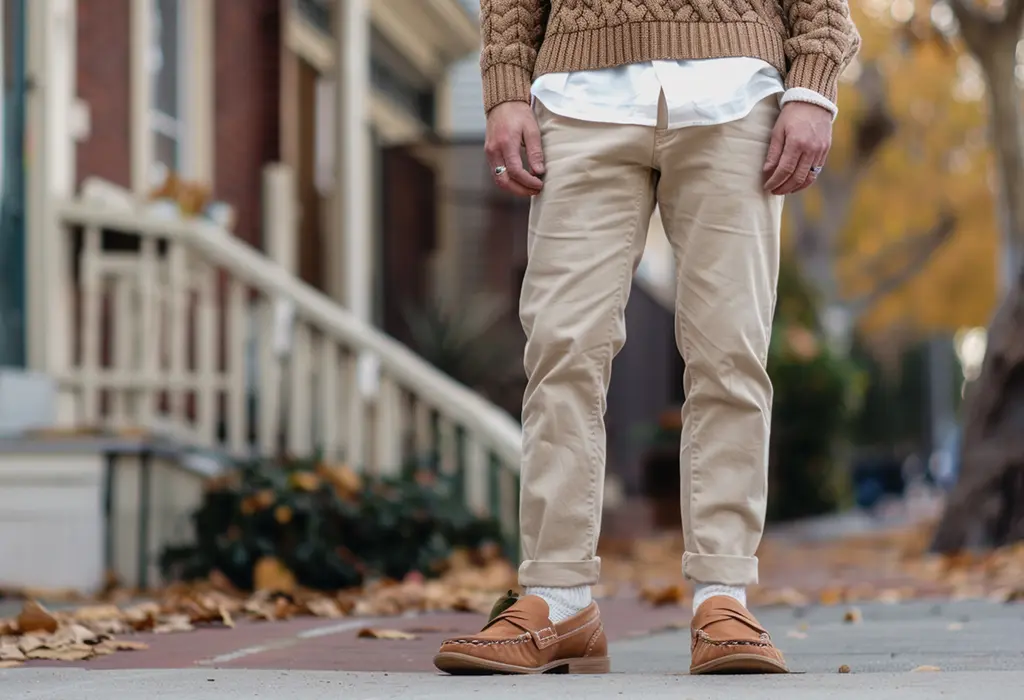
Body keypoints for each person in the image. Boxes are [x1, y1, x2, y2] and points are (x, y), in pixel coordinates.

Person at [434, 0, 860, 676]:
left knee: (731, 352)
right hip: (577, 94)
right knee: (561, 346)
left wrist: (813, 82)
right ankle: (558, 598)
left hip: (736, 88)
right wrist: (505, 85)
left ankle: (724, 597)